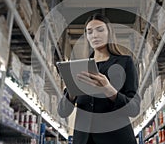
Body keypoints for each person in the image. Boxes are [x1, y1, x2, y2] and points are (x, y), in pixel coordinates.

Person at [58, 13, 141, 144]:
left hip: (116, 138)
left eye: (100, 30)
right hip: (84, 139)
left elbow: (134, 108)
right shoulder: (79, 68)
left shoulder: (125, 62)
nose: (95, 35)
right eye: (89, 32)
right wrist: (72, 92)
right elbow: (63, 111)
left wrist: (109, 90)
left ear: (109, 32)